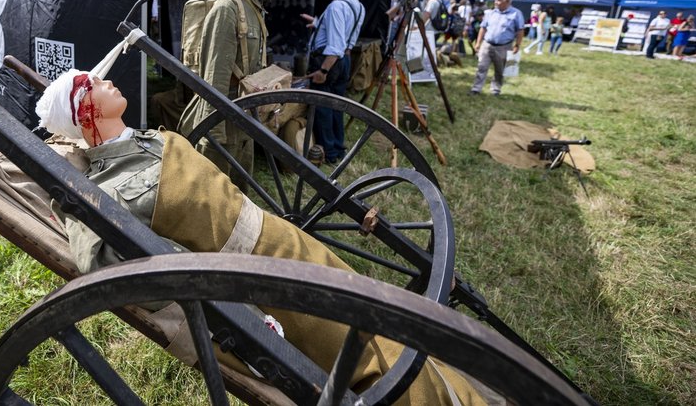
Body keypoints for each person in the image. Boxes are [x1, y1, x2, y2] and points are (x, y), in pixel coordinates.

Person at [35, 65, 487, 404]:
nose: (105, 80)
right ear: (84, 110)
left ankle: (453, 384)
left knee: (372, 308)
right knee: (358, 346)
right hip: (261, 281)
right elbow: (100, 258)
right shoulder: (104, 189)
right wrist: (231, 309)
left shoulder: (147, 139)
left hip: (282, 240)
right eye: (91, 84)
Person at [179, 0, 299, 190]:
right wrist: (215, 138)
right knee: (217, 200)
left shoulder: (254, 7)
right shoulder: (229, 9)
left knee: (240, 194)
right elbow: (214, 78)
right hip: (223, 126)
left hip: (244, 121)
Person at [302, 0, 364, 164]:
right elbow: (344, 32)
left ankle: (328, 152)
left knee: (323, 107)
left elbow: (335, 46)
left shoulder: (336, 6)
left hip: (330, 61)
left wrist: (323, 70)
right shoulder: (357, 5)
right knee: (338, 105)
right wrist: (320, 22)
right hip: (344, 61)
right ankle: (338, 148)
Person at [470, 0, 525, 96]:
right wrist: (478, 43)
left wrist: (517, 45)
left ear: (507, 2)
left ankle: (495, 90)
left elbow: (520, 30)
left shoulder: (516, 14)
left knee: (499, 70)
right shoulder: (490, 13)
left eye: (498, 0)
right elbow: (483, 28)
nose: (495, 2)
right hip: (487, 44)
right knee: (481, 67)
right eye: (495, 0)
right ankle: (476, 89)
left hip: (504, 46)